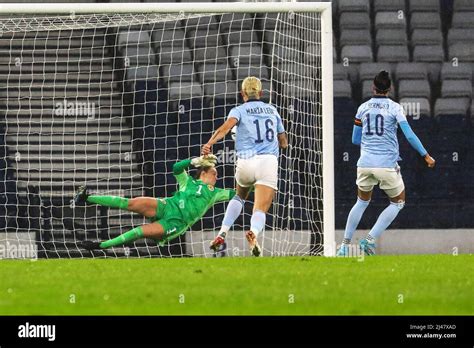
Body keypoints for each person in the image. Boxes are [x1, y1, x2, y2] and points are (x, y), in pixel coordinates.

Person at [337, 71, 435, 256]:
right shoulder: (395, 108)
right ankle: (369, 240)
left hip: (365, 163)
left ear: (373, 87)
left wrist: (370, 141)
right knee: (398, 203)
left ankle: (344, 246)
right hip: (387, 164)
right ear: (390, 89)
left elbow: (355, 140)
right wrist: (426, 155)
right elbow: (409, 135)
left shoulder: (362, 108)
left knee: (361, 202)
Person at [201, 76, 288, 257]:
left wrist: (209, 143)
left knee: (240, 196)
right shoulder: (272, 110)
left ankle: (222, 233)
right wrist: (279, 143)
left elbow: (224, 129)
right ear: (261, 93)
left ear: (242, 94)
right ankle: (253, 233)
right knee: (260, 208)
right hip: (267, 162)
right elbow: (283, 141)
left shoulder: (238, 110)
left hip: (245, 162)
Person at [77, 155, 236, 250]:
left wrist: (259, 186)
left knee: (139, 231)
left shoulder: (216, 193)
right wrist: (194, 160)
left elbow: (238, 193)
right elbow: (176, 168)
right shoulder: (187, 182)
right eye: (214, 173)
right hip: (167, 205)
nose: (217, 177)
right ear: (203, 172)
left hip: (176, 223)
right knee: (130, 203)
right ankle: (86, 198)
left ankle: (100, 246)